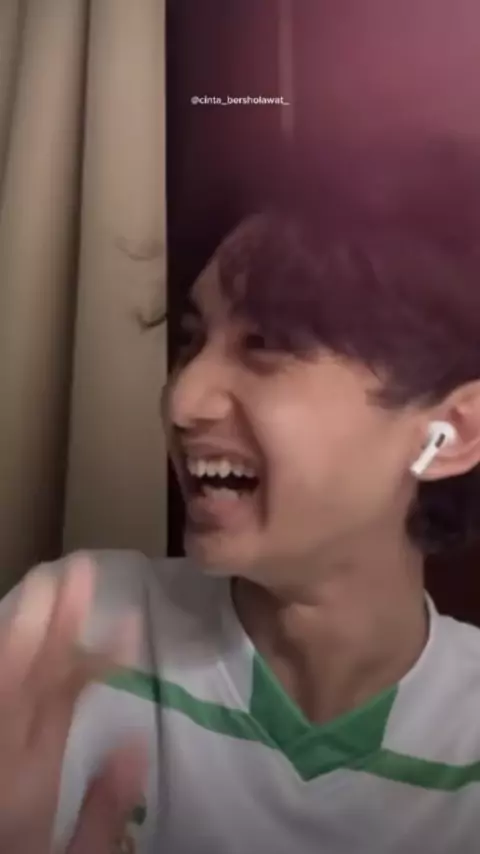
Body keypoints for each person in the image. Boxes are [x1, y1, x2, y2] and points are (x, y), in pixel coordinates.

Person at [2, 138, 480, 854]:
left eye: (265, 344)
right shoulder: (66, 635)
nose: (183, 399)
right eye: (192, 340)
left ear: (450, 434)